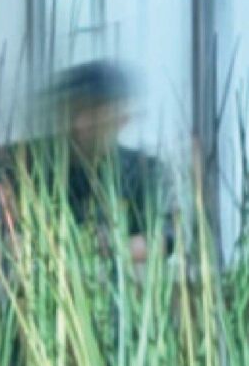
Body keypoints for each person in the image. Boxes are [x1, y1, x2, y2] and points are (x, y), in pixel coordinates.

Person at [23, 59, 179, 254]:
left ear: (122, 119)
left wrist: (108, 247)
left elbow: (167, 237)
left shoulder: (145, 171)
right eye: (75, 111)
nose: (80, 124)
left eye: (94, 113)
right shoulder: (35, 169)